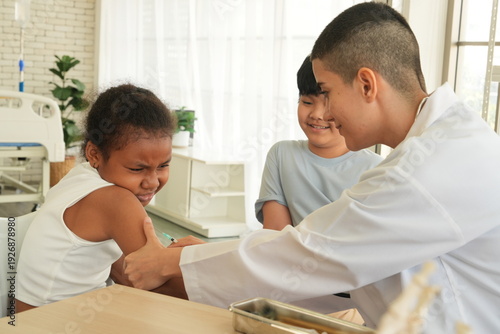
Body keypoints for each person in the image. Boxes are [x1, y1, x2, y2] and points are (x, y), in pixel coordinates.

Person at [123, 3, 500, 333]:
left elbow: (312, 253)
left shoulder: (428, 167)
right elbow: (333, 260)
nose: (326, 113)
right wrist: (197, 259)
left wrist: (176, 260)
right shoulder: (435, 145)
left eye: (329, 91)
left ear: (367, 84)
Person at [15, 84, 197, 312]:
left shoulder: (79, 177)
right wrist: (199, 260)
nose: (152, 181)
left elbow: (125, 273)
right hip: (48, 323)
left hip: (29, 318)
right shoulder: (116, 200)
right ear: (94, 154)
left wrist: (167, 263)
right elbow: (168, 288)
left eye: (163, 165)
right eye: (137, 169)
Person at [255, 55, 382, 230]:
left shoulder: (376, 169)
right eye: (307, 102)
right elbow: (276, 235)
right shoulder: (281, 155)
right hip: (289, 255)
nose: (317, 114)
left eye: (329, 105)